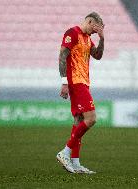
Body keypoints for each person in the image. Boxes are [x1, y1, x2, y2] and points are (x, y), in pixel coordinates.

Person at [56, 12, 105, 174]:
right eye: (94, 28)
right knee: (91, 119)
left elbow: (97, 56)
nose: (94, 32)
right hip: (76, 82)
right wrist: (64, 82)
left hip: (84, 82)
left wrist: (102, 38)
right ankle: (65, 152)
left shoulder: (87, 38)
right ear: (89, 21)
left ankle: (75, 163)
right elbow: (62, 56)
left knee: (79, 120)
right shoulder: (72, 33)